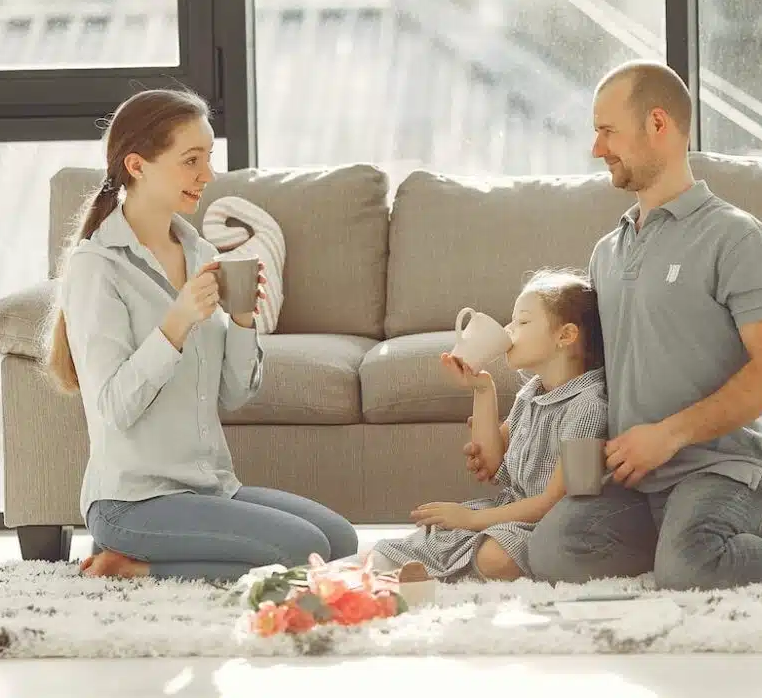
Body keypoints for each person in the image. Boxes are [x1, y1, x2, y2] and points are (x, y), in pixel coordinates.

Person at [496, 60, 762, 590]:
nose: (597, 148)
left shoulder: (738, 239)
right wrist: (503, 421)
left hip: (722, 470)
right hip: (634, 478)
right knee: (552, 551)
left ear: (657, 124)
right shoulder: (606, 253)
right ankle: (687, 547)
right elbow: (590, 376)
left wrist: (668, 436)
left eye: (608, 131)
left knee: (689, 567)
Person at [44, 89, 357, 582]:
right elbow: (115, 406)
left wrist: (243, 320)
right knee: (305, 548)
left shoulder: (201, 254)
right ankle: (134, 567)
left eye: (208, 158)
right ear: (137, 165)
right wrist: (177, 321)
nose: (207, 175)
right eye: (191, 160)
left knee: (339, 541)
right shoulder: (97, 267)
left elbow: (232, 395)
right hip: (133, 501)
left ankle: (146, 561)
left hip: (208, 488)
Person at [370, 269, 609, 581]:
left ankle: (436, 569)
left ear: (565, 336)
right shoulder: (532, 393)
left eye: (522, 322)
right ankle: (405, 566)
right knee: (446, 529)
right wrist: (483, 389)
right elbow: (493, 464)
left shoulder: (588, 407)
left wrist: (472, 519)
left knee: (495, 555)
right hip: (514, 509)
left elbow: (559, 502)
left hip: (553, 523)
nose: (509, 330)